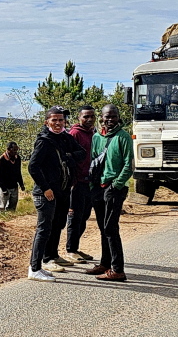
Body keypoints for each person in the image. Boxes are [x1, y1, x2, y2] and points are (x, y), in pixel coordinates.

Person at [27, 105, 86, 282]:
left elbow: (81, 153)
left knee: (57, 224)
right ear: (47, 122)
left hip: (63, 190)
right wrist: (46, 188)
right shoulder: (44, 141)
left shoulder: (65, 138)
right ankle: (35, 267)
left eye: (61, 120)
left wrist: (68, 156)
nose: (58, 123)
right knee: (44, 229)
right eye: (54, 120)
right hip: (46, 193)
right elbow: (33, 167)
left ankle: (50, 258)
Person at [83, 104, 132, 282]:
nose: (109, 120)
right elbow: (94, 161)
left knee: (111, 228)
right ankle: (105, 263)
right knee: (103, 228)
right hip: (98, 187)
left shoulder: (123, 137)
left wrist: (117, 184)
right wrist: (93, 186)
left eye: (113, 116)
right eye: (106, 116)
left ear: (118, 117)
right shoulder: (97, 137)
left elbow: (129, 165)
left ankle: (118, 270)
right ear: (101, 118)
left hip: (114, 188)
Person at [61, 105, 96, 263]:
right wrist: (72, 181)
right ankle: (70, 250)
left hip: (89, 182)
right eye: (85, 117)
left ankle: (75, 248)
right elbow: (68, 158)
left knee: (84, 216)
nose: (89, 120)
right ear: (79, 118)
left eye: (91, 117)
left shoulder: (93, 134)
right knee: (75, 217)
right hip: (77, 183)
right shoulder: (75, 133)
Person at [0, 141, 25, 217]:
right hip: (4, 187)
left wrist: (21, 184)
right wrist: (4, 189)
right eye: (14, 150)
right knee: (1, 207)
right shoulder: (1, 159)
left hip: (14, 186)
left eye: (16, 149)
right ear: (8, 149)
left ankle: (10, 222)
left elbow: (18, 172)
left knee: (12, 207)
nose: (15, 152)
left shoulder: (18, 158)